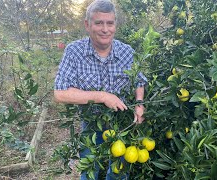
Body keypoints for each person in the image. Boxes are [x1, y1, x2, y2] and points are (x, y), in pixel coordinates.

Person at [53, 0, 147, 179]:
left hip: (122, 123)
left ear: (115, 25)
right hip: (91, 124)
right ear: (87, 25)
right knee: (89, 171)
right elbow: (60, 93)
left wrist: (140, 103)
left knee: (119, 172)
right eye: (99, 23)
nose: (105, 29)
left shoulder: (126, 52)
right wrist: (102, 96)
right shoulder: (75, 52)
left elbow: (139, 81)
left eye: (110, 23)